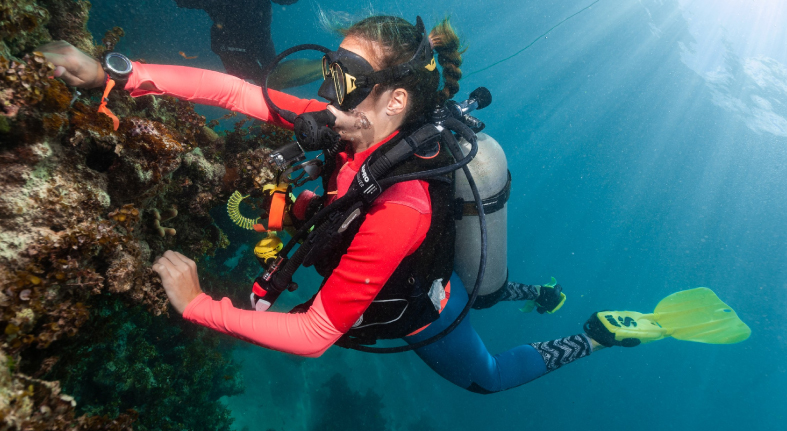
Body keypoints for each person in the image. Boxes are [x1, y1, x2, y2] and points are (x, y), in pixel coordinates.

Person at [39, 15, 749, 394]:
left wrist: (198, 305)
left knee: (488, 377)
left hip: (418, 308)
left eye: (342, 76)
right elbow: (239, 94)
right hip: (408, 259)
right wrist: (116, 74)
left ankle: (595, 332)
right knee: (484, 288)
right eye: (328, 69)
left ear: (396, 100)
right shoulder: (351, 126)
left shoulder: (405, 203)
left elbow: (315, 334)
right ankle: (526, 290)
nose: (325, 90)